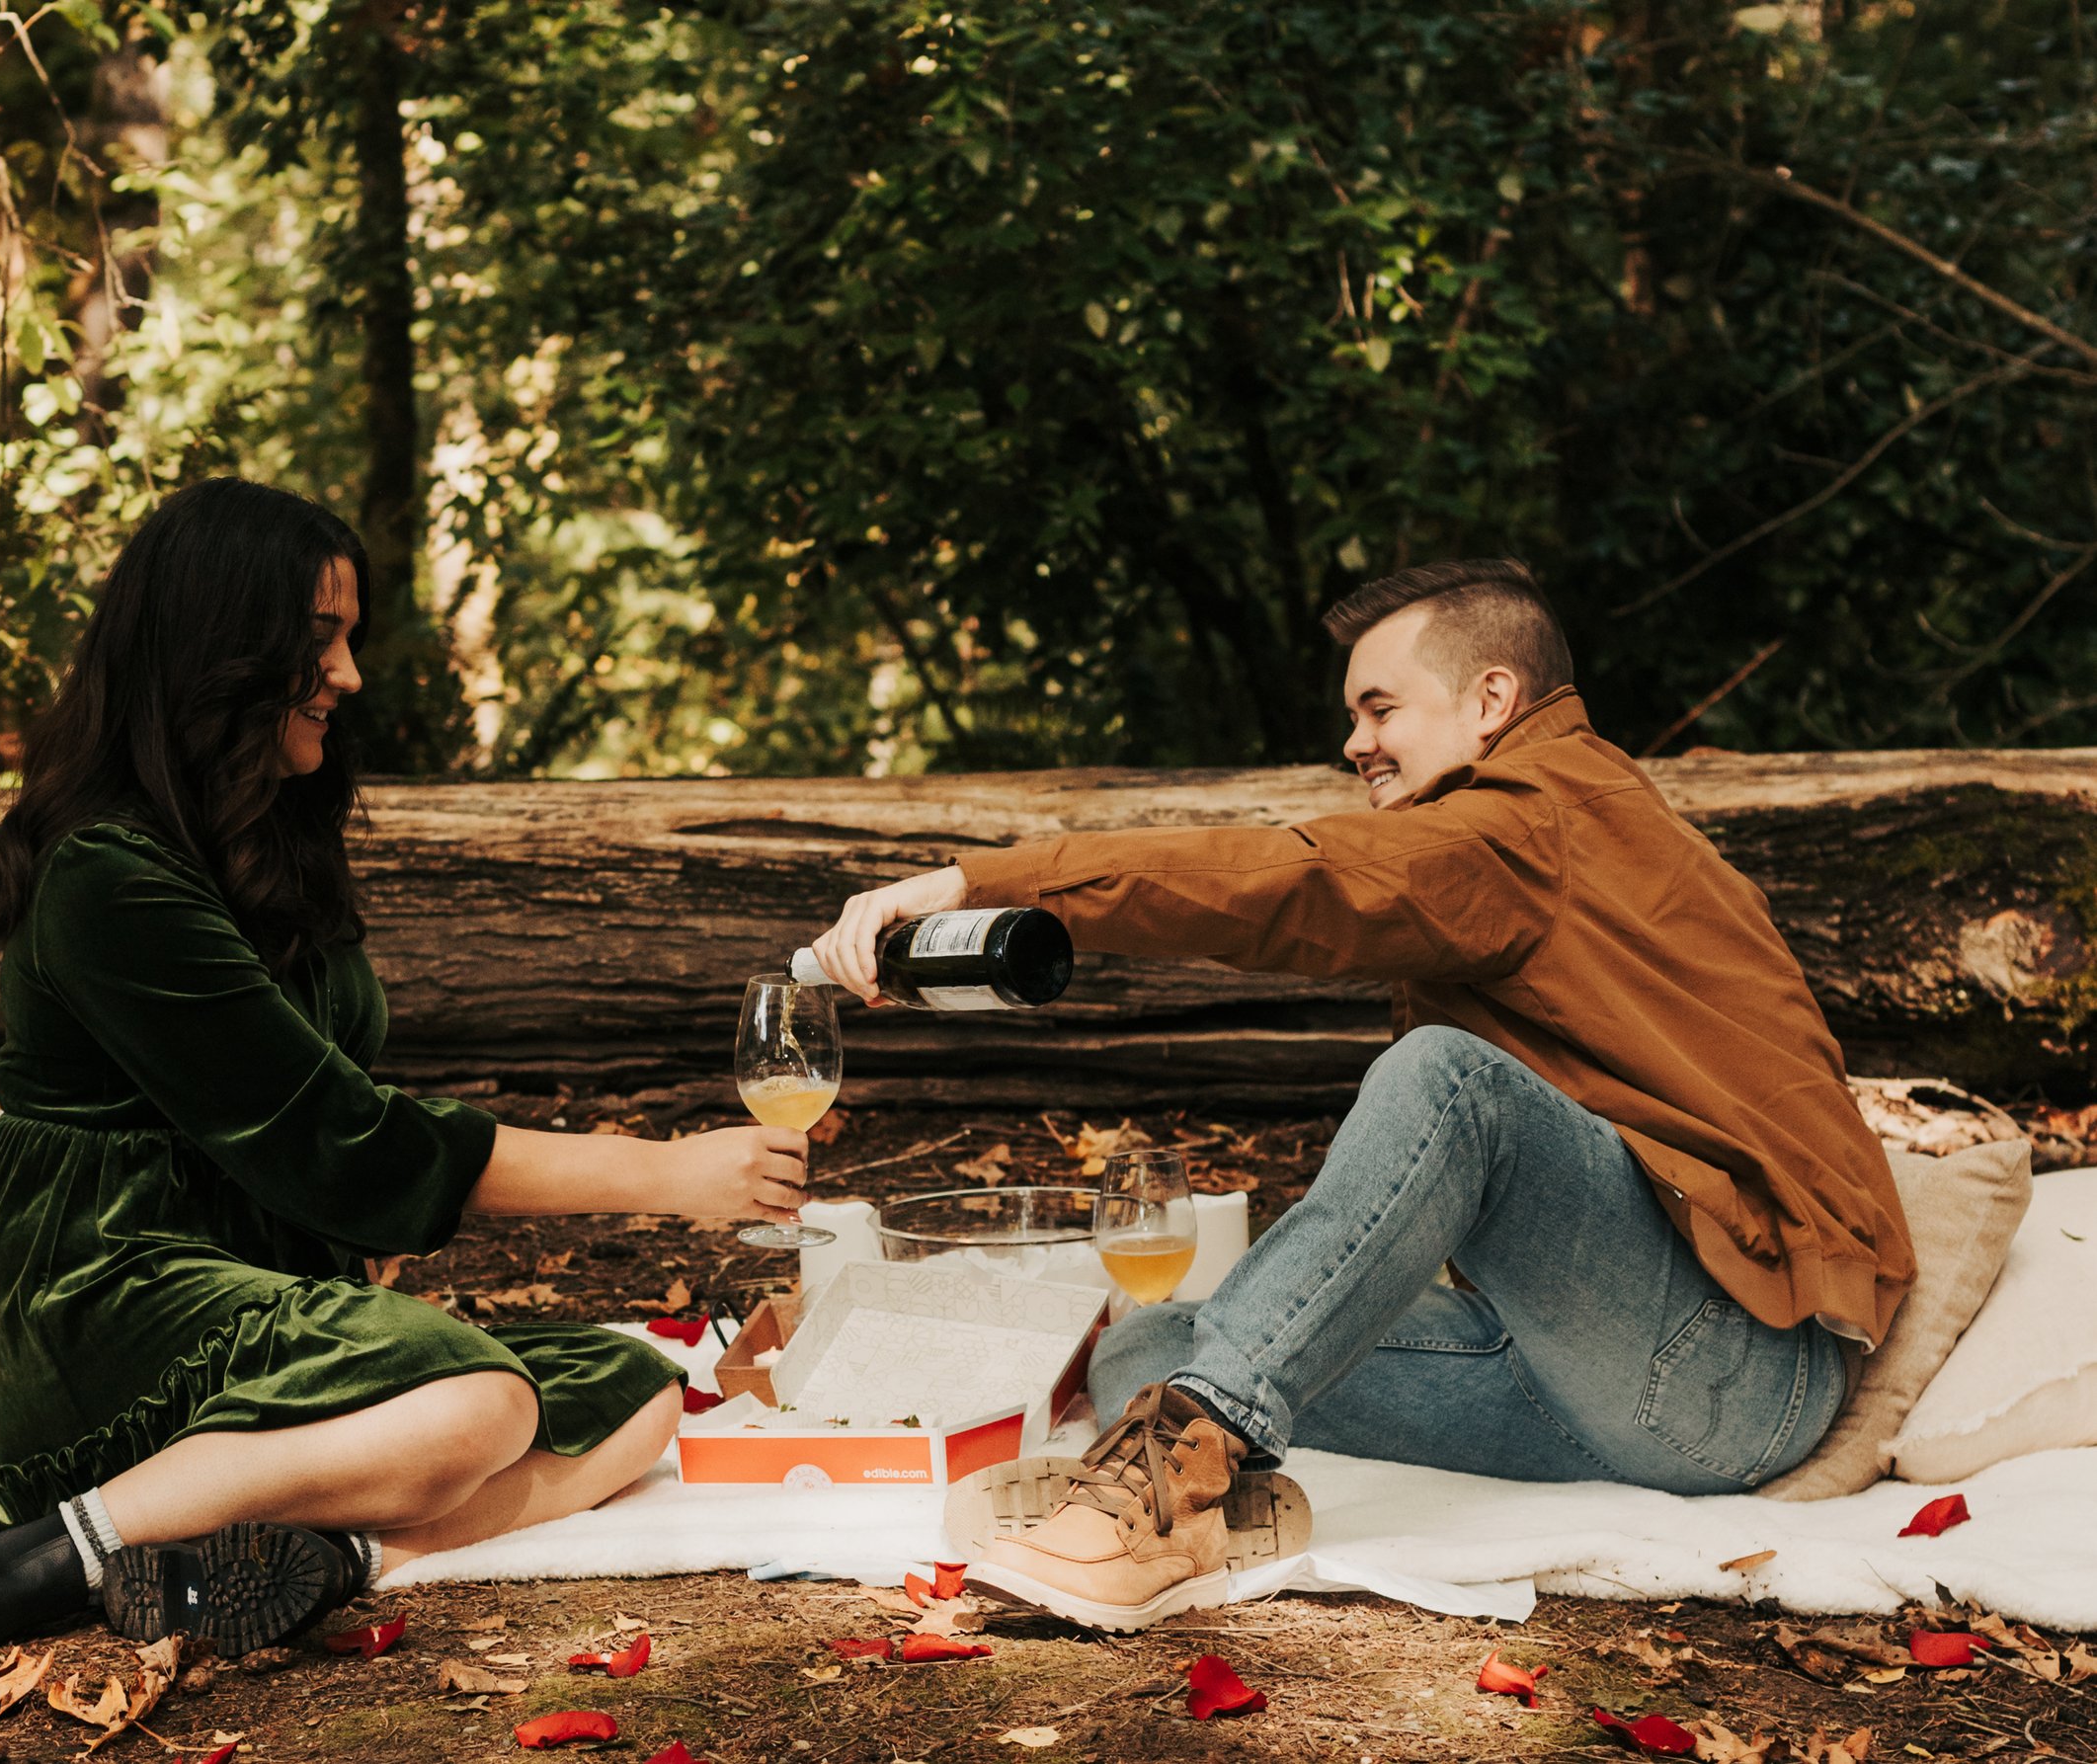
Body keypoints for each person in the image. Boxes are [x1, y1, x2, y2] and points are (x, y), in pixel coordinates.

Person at [805, 559, 1910, 1633]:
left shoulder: (1536, 819)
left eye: (1380, 707)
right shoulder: (1545, 828)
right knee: (1148, 1347)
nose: (1354, 742)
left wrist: (984, 883)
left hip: (1729, 1375)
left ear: (1491, 698)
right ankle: (1202, 1515)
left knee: (1449, 1081)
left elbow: (1295, 877)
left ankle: (1151, 1491)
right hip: (1591, 1384)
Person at [0, 480, 812, 1692]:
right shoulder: (106, 877)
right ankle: (10, 1569)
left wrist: (333, 1241)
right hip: (95, 1288)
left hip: (241, 1275)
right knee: (479, 1407)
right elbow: (347, 1140)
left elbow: (316, 1114)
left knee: (635, 1392)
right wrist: (664, 1174)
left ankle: (306, 1558)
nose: (348, 674)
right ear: (223, 653)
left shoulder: (266, 833)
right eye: (322, 638)